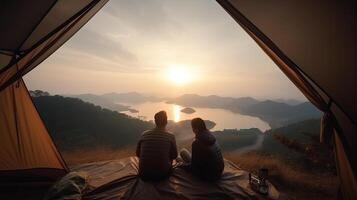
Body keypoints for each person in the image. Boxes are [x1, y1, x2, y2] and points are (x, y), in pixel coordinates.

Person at [136, 111, 178, 181]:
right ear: (166, 122)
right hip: (162, 176)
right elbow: (174, 156)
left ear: (155, 121)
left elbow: (138, 154)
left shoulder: (144, 134)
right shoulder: (170, 136)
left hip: (143, 174)